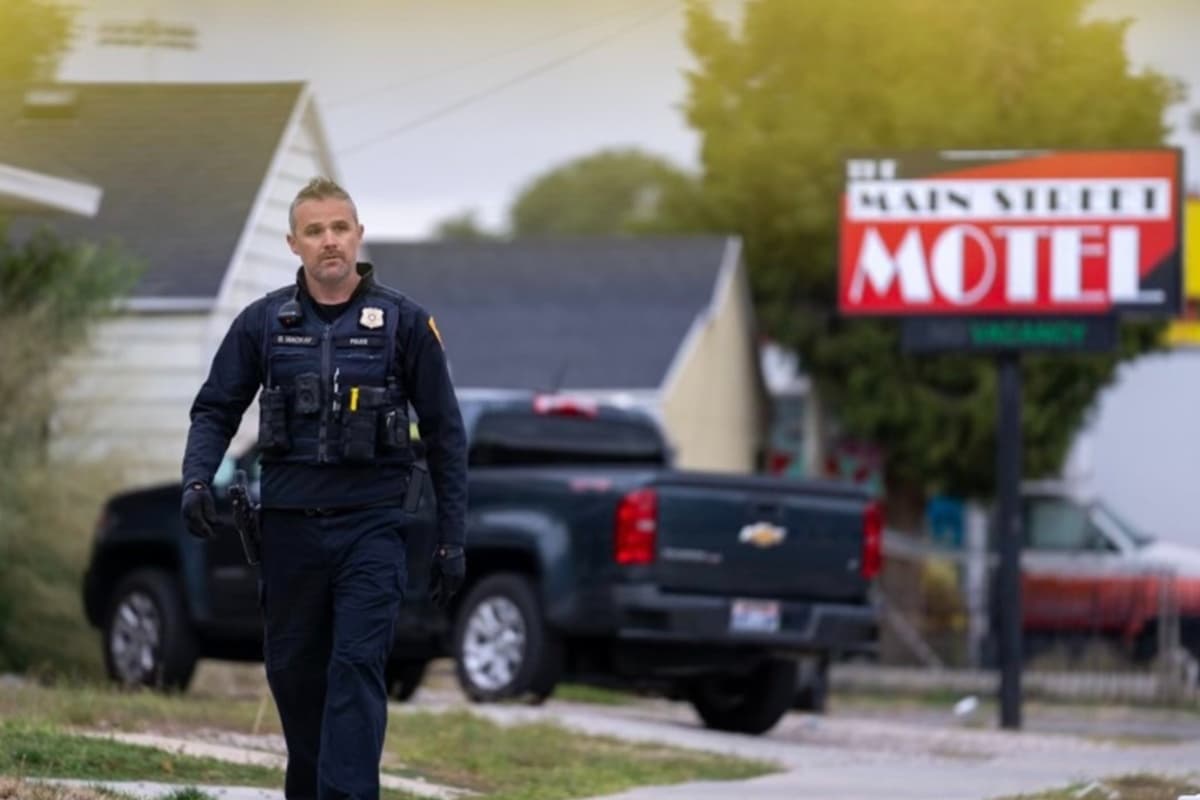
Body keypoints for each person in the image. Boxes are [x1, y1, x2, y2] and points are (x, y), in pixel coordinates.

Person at [179, 176, 467, 800]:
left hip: (372, 528)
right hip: (288, 529)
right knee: (294, 674)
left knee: (356, 668)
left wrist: (451, 540)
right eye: (315, 231)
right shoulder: (263, 324)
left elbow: (446, 435)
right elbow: (215, 409)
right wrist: (197, 478)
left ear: (358, 235)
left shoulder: (405, 324)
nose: (329, 242)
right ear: (294, 243)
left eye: (340, 228)